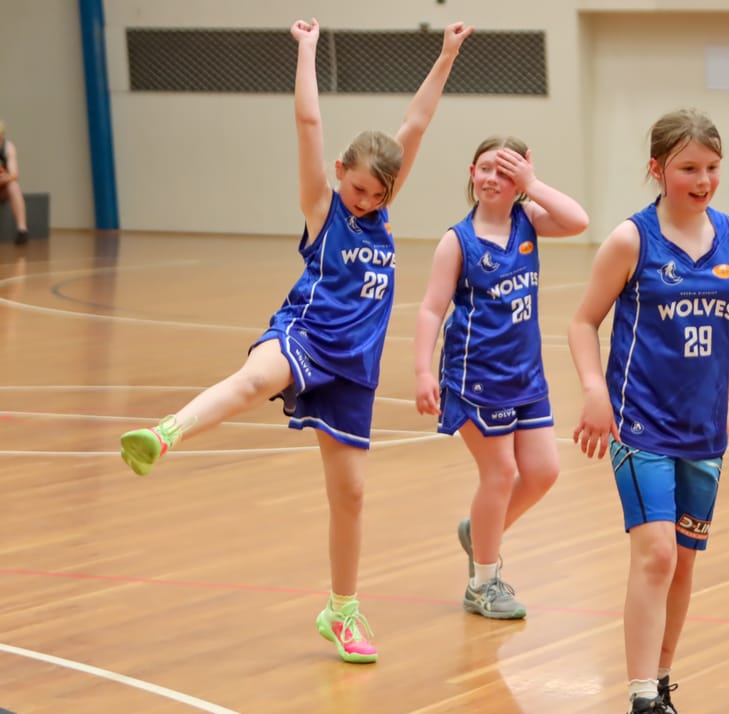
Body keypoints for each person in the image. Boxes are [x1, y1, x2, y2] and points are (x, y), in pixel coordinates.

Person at [118, 16, 473, 664]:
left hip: (353, 368)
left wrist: (447, 54)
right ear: (341, 173)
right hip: (305, 335)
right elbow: (309, 126)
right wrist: (306, 50)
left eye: (378, 194)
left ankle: (342, 611)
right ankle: (164, 434)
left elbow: (416, 125)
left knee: (351, 496)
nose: (366, 201)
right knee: (256, 379)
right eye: (359, 187)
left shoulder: (380, 213)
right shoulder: (324, 205)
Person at [567, 109, 729, 714]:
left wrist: (728, 380)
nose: (702, 180)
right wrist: (595, 391)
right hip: (640, 421)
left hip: (705, 428)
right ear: (657, 169)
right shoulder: (632, 239)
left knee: (684, 563)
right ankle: (641, 696)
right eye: (688, 168)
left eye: (711, 168)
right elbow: (581, 322)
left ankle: (664, 680)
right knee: (655, 553)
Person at [414, 136, 589, 619]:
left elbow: (578, 221)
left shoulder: (528, 220)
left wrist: (534, 184)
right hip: (476, 377)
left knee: (544, 472)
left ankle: (480, 534)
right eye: (486, 168)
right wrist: (422, 370)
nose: (493, 178)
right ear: (472, 173)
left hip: (526, 375)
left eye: (506, 171)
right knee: (500, 474)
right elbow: (431, 308)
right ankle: (483, 583)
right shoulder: (458, 240)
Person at [0, 121, 29, 245]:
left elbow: (14, 174)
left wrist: (4, 178)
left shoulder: (8, 147)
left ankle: (22, 230)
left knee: (14, 185)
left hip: (2, 188)